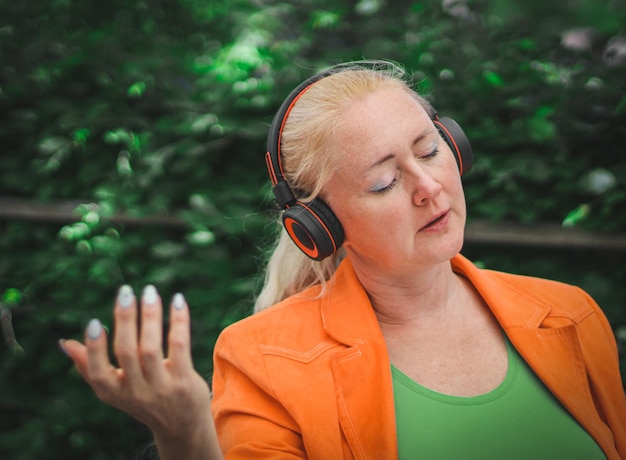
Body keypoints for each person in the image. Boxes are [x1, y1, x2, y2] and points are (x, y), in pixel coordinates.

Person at [61, 60, 626, 459]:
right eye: (383, 183)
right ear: (320, 227)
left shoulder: (569, 315)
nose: (428, 186)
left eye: (430, 150)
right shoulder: (261, 360)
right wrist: (184, 434)